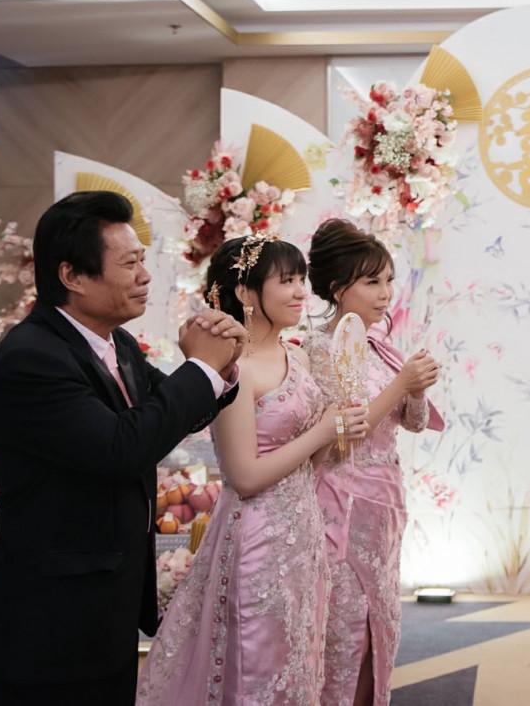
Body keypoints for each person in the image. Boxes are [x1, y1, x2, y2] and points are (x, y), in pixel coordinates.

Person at [0, 191, 244, 705]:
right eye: (129, 264)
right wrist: (201, 368)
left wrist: (224, 366)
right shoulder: (31, 357)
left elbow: (170, 415)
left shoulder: (116, 342)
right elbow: (122, 447)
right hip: (53, 621)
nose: (145, 276)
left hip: (108, 608)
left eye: (142, 260)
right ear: (72, 276)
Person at [137, 234, 369, 704]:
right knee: (255, 666)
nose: (301, 291)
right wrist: (323, 431)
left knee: (298, 660)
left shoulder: (298, 356)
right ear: (245, 292)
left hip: (303, 535)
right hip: (257, 538)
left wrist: (341, 432)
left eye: (302, 279)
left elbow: (311, 461)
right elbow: (243, 477)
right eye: (287, 281)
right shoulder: (233, 368)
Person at [305, 219, 444, 706]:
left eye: (388, 280)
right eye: (372, 282)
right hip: (341, 502)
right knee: (344, 626)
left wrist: (416, 389)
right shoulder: (317, 348)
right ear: (337, 288)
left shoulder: (379, 346)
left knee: (380, 622)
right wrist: (403, 383)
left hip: (384, 504)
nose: (386, 293)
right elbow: (343, 436)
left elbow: (414, 422)